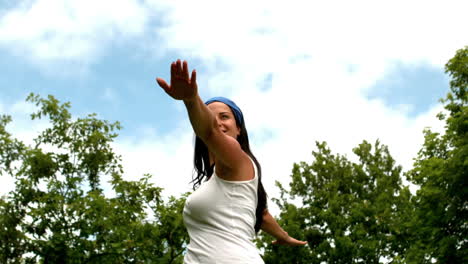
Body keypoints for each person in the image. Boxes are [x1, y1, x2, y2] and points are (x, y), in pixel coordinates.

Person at [156, 59, 306, 263]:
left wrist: (191, 100)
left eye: (224, 117)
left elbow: (210, 131)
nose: (218, 122)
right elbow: (260, 214)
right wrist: (284, 236)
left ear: (239, 128)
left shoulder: (238, 160)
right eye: (211, 115)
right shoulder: (220, 181)